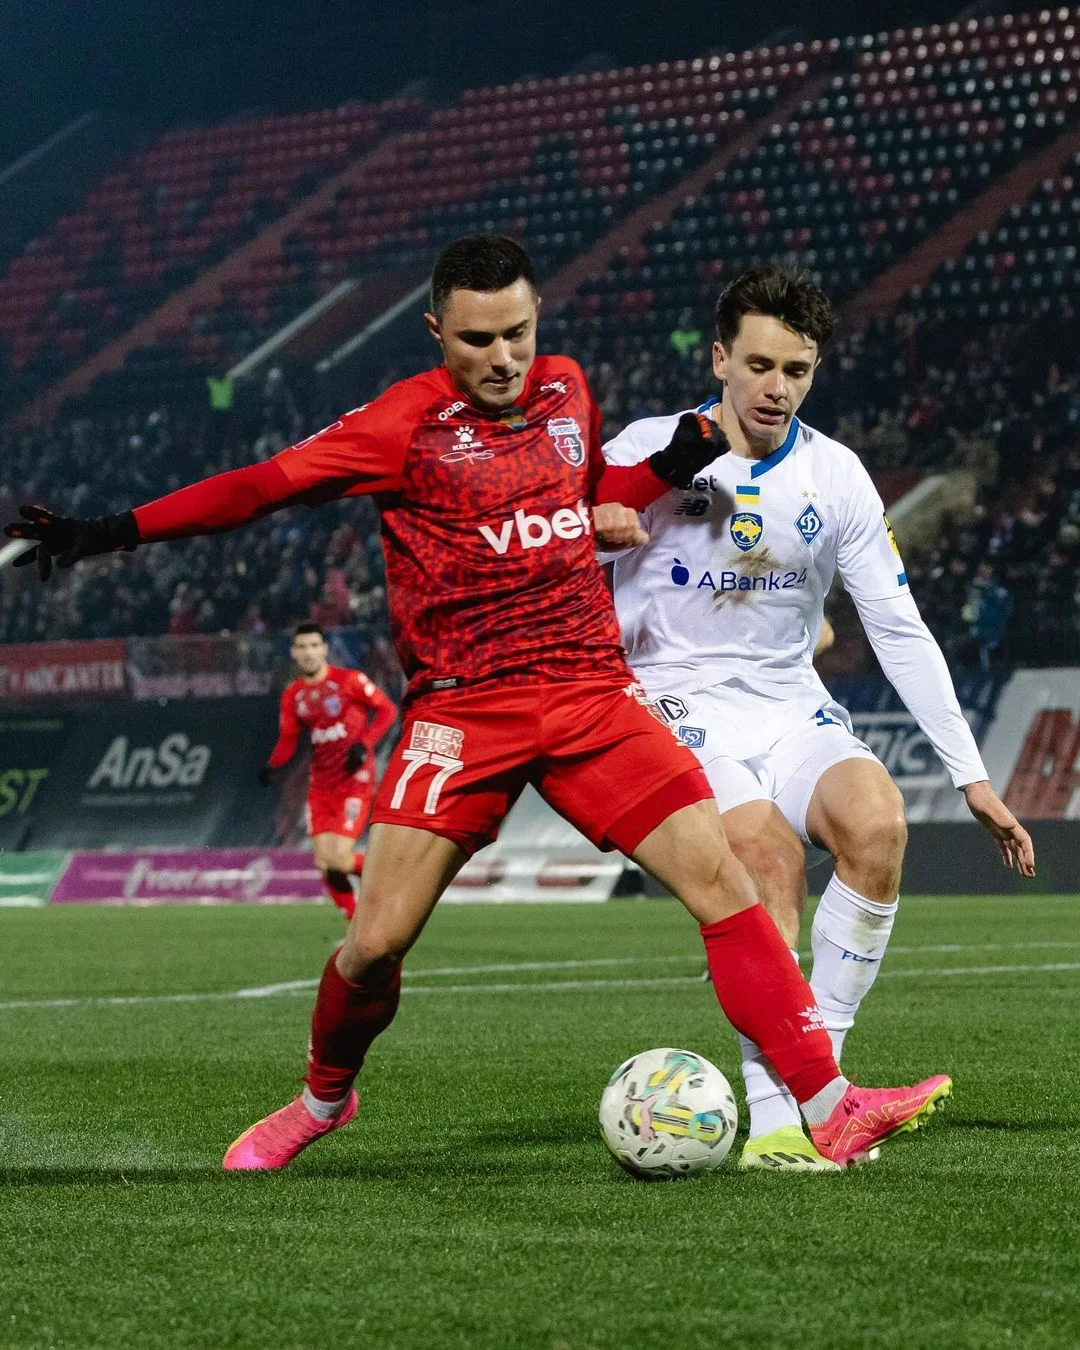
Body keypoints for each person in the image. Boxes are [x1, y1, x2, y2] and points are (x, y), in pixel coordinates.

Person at [5, 235, 949, 1174]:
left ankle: (830, 1106)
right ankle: (322, 1101)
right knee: (375, 944)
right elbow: (260, 488)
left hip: (589, 691)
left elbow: (584, 498)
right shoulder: (399, 425)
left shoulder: (567, 389)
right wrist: (113, 532)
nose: (503, 358)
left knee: (726, 883)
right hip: (465, 710)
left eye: (517, 333)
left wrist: (666, 466)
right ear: (436, 333)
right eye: (477, 340)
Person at [602, 264, 1033, 1173]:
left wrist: (972, 777)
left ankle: (821, 1091)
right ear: (720, 359)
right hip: (678, 702)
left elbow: (898, 627)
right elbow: (561, 541)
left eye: (796, 370)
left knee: (878, 824)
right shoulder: (649, 448)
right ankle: (773, 1126)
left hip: (789, 701)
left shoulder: (835, 474)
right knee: (768, 861)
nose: (777, 387)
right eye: (759, 364)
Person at [259, 622, 397, 918]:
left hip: (354, 780)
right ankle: (354, 920)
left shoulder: (350, 681)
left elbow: (388, 710)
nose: (308, 653)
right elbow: (288, 739)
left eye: (313, 646)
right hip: (321, 786)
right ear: (293, 653)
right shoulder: (294, 694)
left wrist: (365, 744)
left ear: (324, 649)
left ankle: (393, 880)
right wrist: (272, 765)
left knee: (340, 860)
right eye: (302, 647)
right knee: (324, 863)